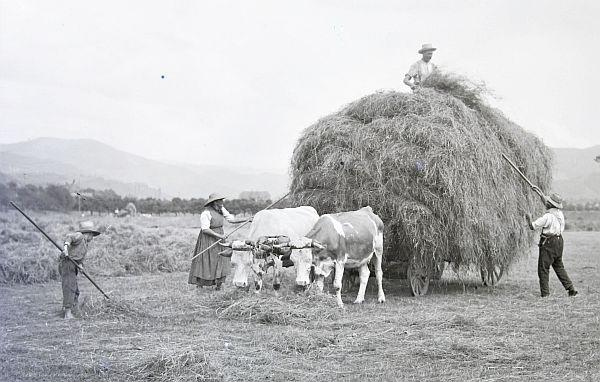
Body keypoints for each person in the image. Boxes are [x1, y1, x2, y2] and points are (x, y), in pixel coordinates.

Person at [188, 193, 247, 290]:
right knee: (206, 260)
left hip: (220, 236)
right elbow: (205, 229)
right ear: (214, 202)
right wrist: (219, 236)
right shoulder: (206, 213)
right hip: (208, 238)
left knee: (220, 259)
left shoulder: (221, 210)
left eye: (222, 200)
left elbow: (232, 220)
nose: (222, 203)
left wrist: (247, 220)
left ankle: (218, 284)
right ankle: (200, 285)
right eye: (220, 201)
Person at [526, 189, 578, 297]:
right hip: (559, 242)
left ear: (549, 204)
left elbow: (532, 226)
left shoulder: (547, 217)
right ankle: (571, 289)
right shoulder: (559, 214)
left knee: (543, 268)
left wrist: (528, 217)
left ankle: (545, 295)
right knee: (559, 266)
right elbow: (547, 204)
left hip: (548, 243)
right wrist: (540, 194)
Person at [60, 221, 101, 319]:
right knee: (70, 287)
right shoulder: (80, 236)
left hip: (73, 265)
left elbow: (79, 257)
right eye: (92, 235)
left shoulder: (85, 244)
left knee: (75, 290)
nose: (92, 238)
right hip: (67, 263)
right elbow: (69, 237)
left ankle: (73, 309)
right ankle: (67, 313)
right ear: (88, 233)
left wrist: (80, 265)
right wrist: (65, 248)